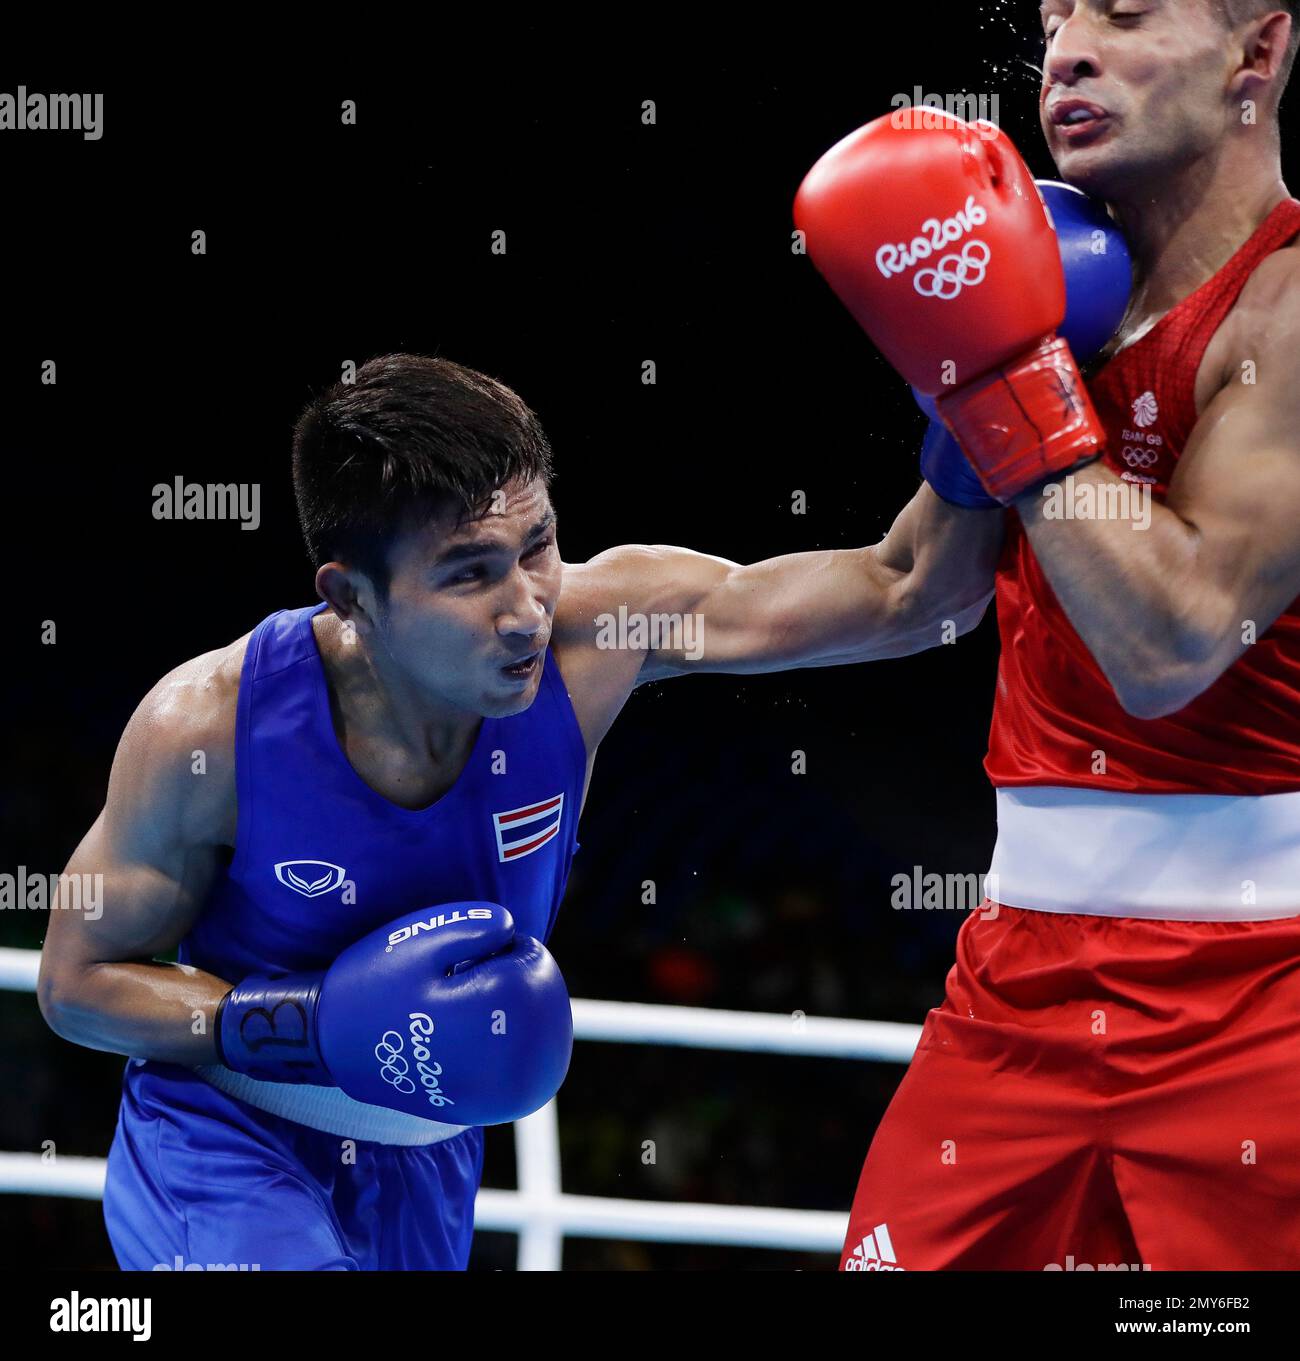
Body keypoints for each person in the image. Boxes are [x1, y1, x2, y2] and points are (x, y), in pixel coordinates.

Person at [36, 352, 1002, 1270]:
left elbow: (914, 595)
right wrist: (296, 1023)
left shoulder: (600, 630)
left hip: (428, 1151)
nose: (526, 608)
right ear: (352, 596)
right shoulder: (207, 728)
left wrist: (982, 396)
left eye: (537, 544)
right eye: (468, 572)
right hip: (222, 1134)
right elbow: (76, 984)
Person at [796, 0, 1300, 1270]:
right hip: (1017, 981)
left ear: (1258, 52)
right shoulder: (1056, 304)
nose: (1067, 49)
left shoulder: (1285, 315)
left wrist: (1004, 376)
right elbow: (916, 582)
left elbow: (1173, 643)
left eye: (1123, 14)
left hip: (1262, 998)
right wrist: (612, 615)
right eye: (1054, 17)